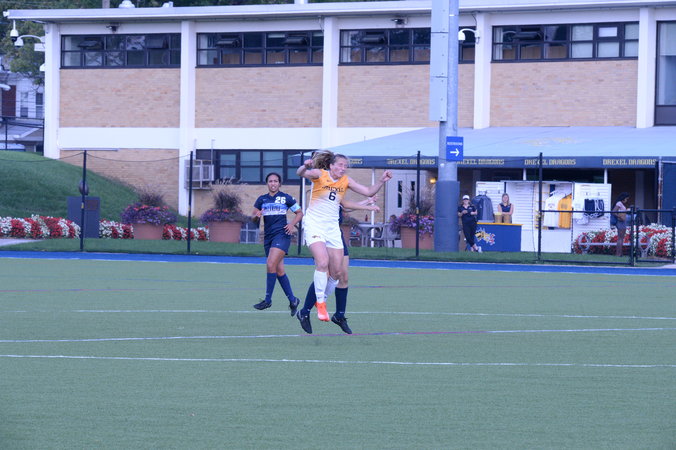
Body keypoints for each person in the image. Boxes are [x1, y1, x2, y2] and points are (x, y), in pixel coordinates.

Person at [295, 150, 391, 329]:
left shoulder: (346, 181)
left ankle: (320, 304)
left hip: (332, 229)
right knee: (322, 262)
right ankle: (320, 304)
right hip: (315, 225)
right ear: (331, 165)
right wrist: (304, 166)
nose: (343, 168)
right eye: (340, 165)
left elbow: (367, 191)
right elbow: (301, 173)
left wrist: (381, 181)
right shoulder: (320, 174)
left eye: (345, 166)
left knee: (337, 273)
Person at [298, 197, 379, 334]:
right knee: (326, 273)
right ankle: (305, 312)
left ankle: (339, 316)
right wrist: (367, 205)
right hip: (320, 234)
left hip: (335, 234)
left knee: (343, 276)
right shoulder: (323, 191)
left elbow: (345, 206)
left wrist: (366, 201)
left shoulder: (337, 192)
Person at [251, 172, 304, 314]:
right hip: (268, 238)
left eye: (275, 181)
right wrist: (256, 216)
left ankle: (267, 300)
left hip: (282, 235)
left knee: (270, 264)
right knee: (279, 270)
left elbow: (300, 213)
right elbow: (253, 217)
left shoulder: (286, 198)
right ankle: (293, 300)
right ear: (267, 183)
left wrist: (292, 224)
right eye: (270, 181)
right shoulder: (261, 199)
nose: (273, 183)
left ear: (279, 183)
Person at [612, 192, 630, 257]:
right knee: (620, 238)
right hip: (620, 222)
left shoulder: (621, 204)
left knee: (621, 238)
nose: (626, 200)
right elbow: (614, 212)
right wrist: (619, 217)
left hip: (622, 221)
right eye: (626, 199)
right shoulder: (619, 203)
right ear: (623, 198)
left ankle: (620, 253)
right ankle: (618, 253)